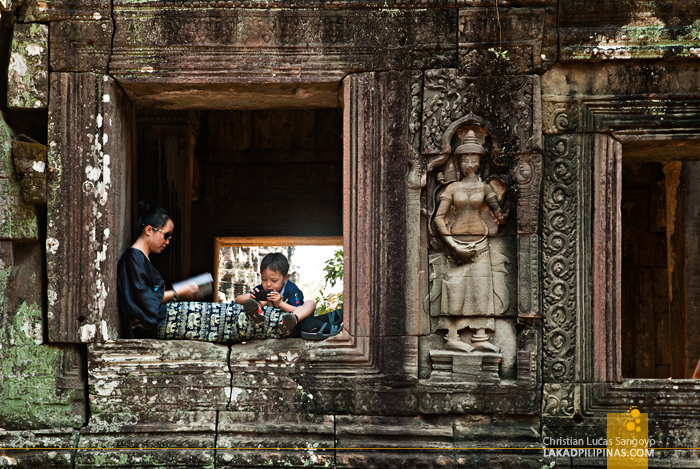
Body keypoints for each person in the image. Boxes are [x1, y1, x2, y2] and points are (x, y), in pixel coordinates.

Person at [117, 202, 291, 342]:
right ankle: (283, 325)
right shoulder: (133, 257)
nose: (168, 242)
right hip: (156, 322)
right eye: (166, 235)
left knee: (230, 313)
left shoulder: (141, 259)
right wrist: (178, 292)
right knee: (227, 316)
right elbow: (144, 298)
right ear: (149, 230)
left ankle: (283, 321)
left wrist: (181, 293)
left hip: (162, 316)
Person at [432, 129, 510, 353]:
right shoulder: (452, 188)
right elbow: (439, 218)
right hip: (455, 245)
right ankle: (453, 336)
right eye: (464, 158)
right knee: (455, 289)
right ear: (458, 161)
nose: (469, 162)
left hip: (481, 243)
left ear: (479, 161)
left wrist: (513, 195)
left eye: (473, 158)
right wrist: (454, 245)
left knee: (481, 288)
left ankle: (480, 335)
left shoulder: (485, 188)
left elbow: (500, 216)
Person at [234, 252, 317, 335]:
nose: (268, 284)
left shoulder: (291, 290)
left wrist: (280, 303)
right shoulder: (261, 289)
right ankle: (257, 311)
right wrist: (251, 297)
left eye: (274, 280)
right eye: (264, 279)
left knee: (311, 303)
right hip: (270, 325)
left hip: (291, 324)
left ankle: (292, 319)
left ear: (286, 277)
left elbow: (299, 309)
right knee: (262, 299)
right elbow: (238, 299)